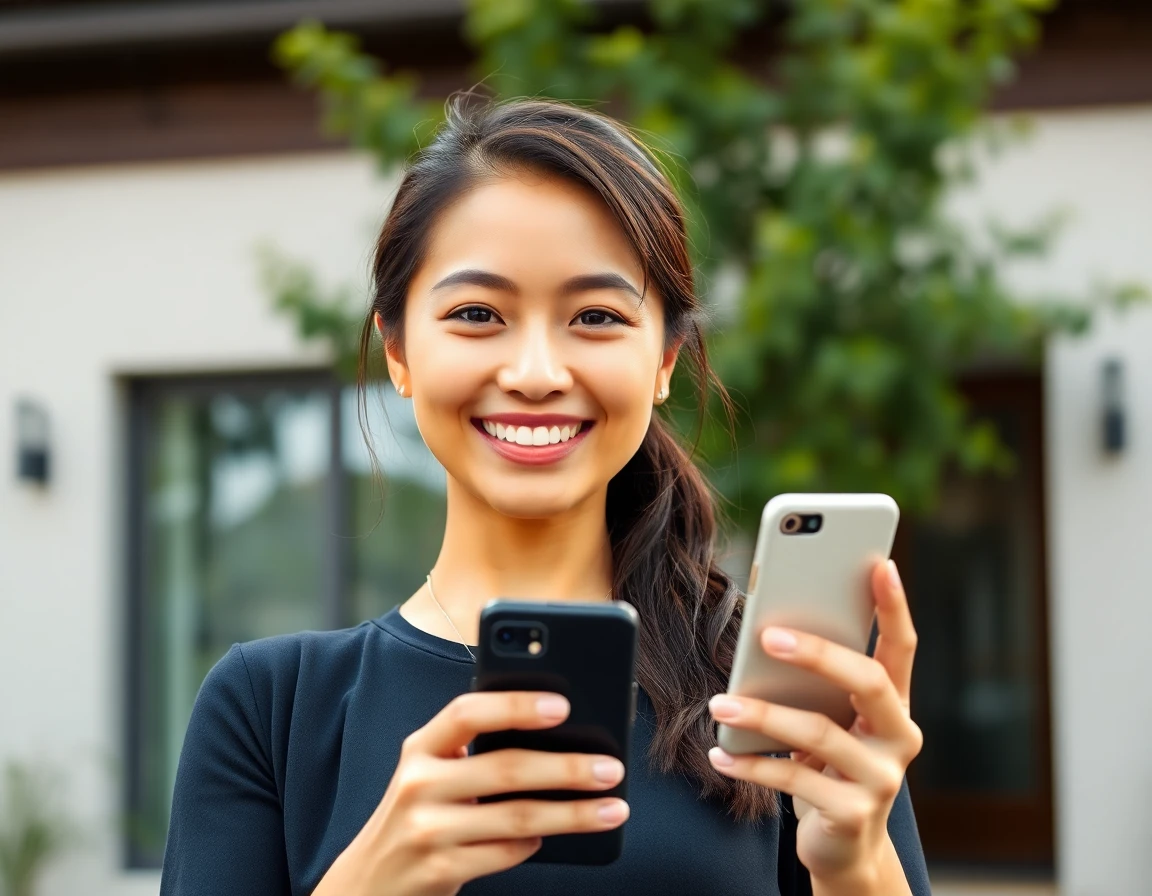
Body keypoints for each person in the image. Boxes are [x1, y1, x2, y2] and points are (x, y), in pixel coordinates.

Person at [159, 96, 930, 896]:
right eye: (477, 314)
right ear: (398, 352)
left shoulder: (773, 697)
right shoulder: (269, 710)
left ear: (665, 360)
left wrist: (856, 865)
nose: (535, 373)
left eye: (595, 316)